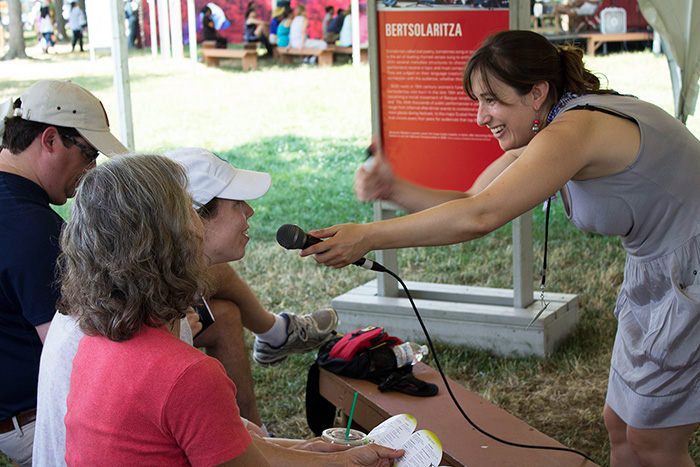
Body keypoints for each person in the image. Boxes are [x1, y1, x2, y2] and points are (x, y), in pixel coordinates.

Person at [303, 30, 700, 467]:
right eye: (477, 100)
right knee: (620, 427)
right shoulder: (554, 125)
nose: (480, 116)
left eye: (491, 99)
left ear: (537, 92)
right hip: (660, 270)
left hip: (690, 271)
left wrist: (370, 235)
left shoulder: (576, 129)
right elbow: (472, 200)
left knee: (653, 443)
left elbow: (480, 217)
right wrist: (393, 188)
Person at [58, 153, 404, 466]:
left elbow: (221, 447)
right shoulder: (187, 374)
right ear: (171, 240)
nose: (195, 223)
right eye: (186, 211)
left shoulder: (95, 341)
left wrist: (303, 452)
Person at [0, 79, 129, 467]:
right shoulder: (33, 229)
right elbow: (76, 353)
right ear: (50, 140)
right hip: (37, 419)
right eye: (89, 153)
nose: (91, 170)